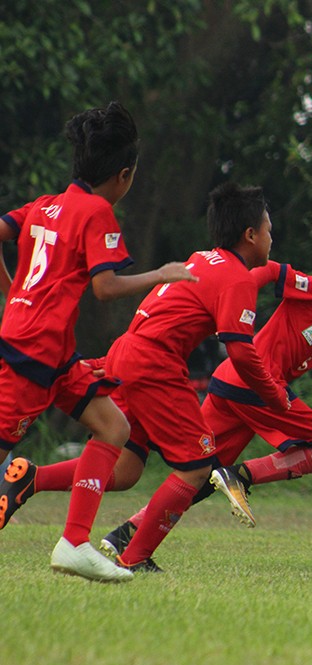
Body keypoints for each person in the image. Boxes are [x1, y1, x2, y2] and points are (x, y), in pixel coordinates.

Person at [82, 234, 312, 561]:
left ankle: (126, 536)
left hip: (230, 386)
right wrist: (235, 298)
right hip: (256, 384)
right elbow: (268, 270)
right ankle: (242, 476)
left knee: (198, 476)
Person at [0, 102, 195, 582]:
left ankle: (74, 542)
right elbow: (106, 287)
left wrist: (12, 294)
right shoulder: (97, 212)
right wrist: (162, 274)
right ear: (124, 175)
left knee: (114, 428)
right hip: (33, 354)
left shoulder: (45, 204)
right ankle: (74, 540)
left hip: (54, 352)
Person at [100, 182, 289, 572]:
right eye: (269, 229)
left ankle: (31, 479)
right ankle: (135, 558)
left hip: (127, 351)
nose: (272, 237)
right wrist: (272, 394)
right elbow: (240, 351)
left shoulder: (202, 258)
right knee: (198, 465)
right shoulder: (237, 278)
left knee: (123, 470)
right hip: (154, 364)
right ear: (250, 234)